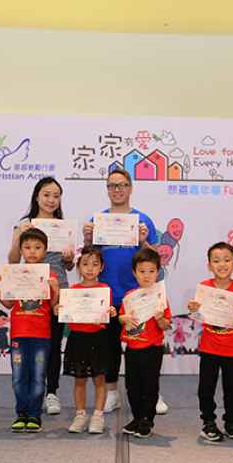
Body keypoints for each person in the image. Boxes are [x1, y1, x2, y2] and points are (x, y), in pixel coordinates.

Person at [82, 168, 165, 414]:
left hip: (140, 297)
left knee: (145, 347)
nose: (117, 189)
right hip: (107, 295)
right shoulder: (97, 220)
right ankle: (112, 393)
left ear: (130, 188)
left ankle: (152, 393)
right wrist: (87, 240)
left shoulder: (143, 220)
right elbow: (88, 258)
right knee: (110, 348)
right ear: (107, 189)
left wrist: (143, 241)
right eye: (112, 185)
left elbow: (156, 261)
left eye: (122, 185)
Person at [9, 177, 73, 416]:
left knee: (54, 344)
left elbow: (68, 266)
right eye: (46, 194)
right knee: (32, 346)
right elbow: (13, 260)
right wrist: (19, 236)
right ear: (37, 196)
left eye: (56, 196)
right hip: (29, 294)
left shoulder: (64, 226)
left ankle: (51, 392)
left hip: (57, 292)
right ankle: (29, 395)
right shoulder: (24, 225)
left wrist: (69, 259)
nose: (51, 200)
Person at [187, 242, 233, 443]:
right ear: (209, 265)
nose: (222, 264)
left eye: (227, 260)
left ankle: (231, 422)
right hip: (210, 347)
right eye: (216, 261)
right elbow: (196, 314)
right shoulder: (204, 287)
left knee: (232, 388)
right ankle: (208, 422)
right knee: (206, 388)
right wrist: (193, 308)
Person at [0, 228, 60, 433]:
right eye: (27, 247)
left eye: (37, 247)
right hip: (19, 335)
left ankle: (34, 414)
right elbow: (8, 304)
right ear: (21, 250)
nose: (32, 251)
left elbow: (53, 306)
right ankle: (21, 413)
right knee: (18, 376)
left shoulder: (49, 275)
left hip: (41, 335)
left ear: (45, 250)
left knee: (38, 375)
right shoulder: (14, 275)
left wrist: (55, 289)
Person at [57, 245, 115, 434]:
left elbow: (107, 313)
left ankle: (98, 415)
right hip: (78, 339)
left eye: (95, 264)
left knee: (99, 379)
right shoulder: (72, 290)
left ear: (102, 267)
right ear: (78, 266)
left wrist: (111, 311)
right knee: (79, 380)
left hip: (98, 338)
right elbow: (66, 313)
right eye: (85, 264)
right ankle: (80, 415)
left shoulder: (105, 289)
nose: (90, 268)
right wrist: (59, 309)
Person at [119, 248, 171, 438]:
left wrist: (159, 318)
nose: (146, 275)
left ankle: (147, 420)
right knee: (132, 386)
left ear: (158, 272)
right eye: (142, 271)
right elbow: (121, 319)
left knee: (150, 385)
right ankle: (137, 417)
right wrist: (123, 318)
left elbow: (166, 325)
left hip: (152, 349)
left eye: (151, 271)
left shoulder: (161, 297)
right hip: (132, 348)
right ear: (134, 272)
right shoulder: (130, 296)